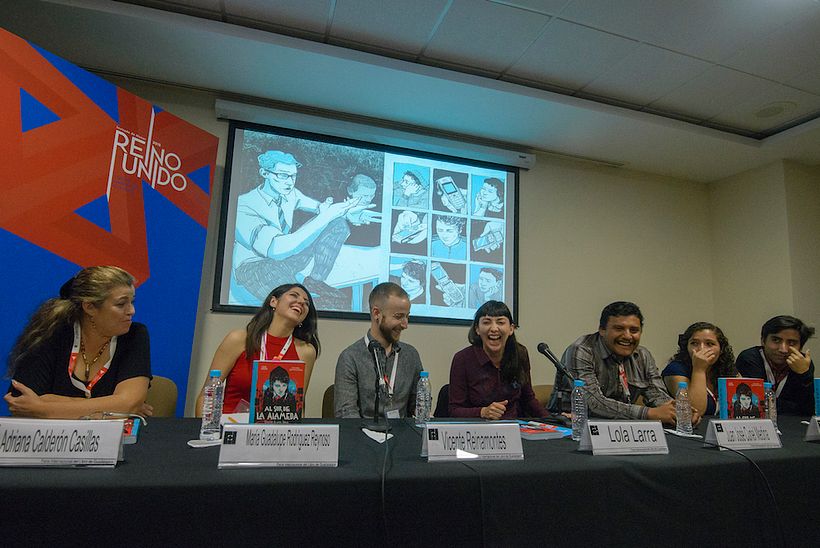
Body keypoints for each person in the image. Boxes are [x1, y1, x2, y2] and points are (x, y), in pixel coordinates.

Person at [4, 266, 152, 418]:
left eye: (132, 302)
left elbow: (128, 404)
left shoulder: (134, 335)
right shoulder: (51, 332)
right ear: (89, 307)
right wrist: (111, 407)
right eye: (121, 304)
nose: (131, 310)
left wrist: (44, 408)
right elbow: (20, 402)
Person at [231, 150, 369, 309]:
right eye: (283, 175)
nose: (289, 182)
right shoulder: (244, 205)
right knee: (309, 306)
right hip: (255, 268)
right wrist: (325, 216)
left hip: (284, 262)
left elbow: (319, 207)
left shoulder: (290, 194)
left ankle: (315, 280)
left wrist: (346, 213)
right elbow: (275, 249)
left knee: (338, 223)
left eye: (293, 176)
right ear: (264, 173)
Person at [549, 301, 681, 425]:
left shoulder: (643, 355)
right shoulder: (581, 350)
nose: (628, 336)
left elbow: (657, 395)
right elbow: (592, 403)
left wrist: (678, 411)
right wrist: (648, 413)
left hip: (620, 427)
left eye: (634, 330)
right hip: (570, 427)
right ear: (602, 330)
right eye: (619, 328)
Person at [197, 283, 319, 415]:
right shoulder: (239, 339)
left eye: (306, 303)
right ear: (273, 302)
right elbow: (207, 395)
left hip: (276, 432)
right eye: (294, 295)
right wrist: (208, 432)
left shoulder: (306, 351)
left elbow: (298, 407)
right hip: (230, 428)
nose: (301, 302)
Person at [334, 282, 423, 419]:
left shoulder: (411, 355)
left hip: (403, 436)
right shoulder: (350, 357)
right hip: (363, 436)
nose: (405, 325)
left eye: (407, 316)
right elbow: (347, 415)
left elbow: (417, 407)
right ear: (377, 313)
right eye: (398, 316)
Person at [449, 300, 546, 419]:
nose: (494, 328)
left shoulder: (520, 354)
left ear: (511, 329)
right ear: (477, 329)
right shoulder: (462, 359)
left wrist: (555, 422)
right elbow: (454, 410)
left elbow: (528, 399)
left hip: (514, 428)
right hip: (477, 430)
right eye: (486, 322)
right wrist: (482, 412)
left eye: (500, 322)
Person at [735, 315, 815, 416]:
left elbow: (809, 409)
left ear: (800, 347)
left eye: (791, 342)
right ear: (763, 341)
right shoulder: (749, 358)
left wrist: (804, 374)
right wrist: (792, 407)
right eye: (776, 340)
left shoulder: (803, 363)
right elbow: (759, 404)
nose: (783, 349)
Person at [661, 322, 737, 416]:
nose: (701, 349)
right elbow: (695, 411)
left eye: (709, 344)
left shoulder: (727, 368)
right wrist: (699, 369)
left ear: (721, 349)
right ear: (687, 347)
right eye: (694, 343)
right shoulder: (675, 369)